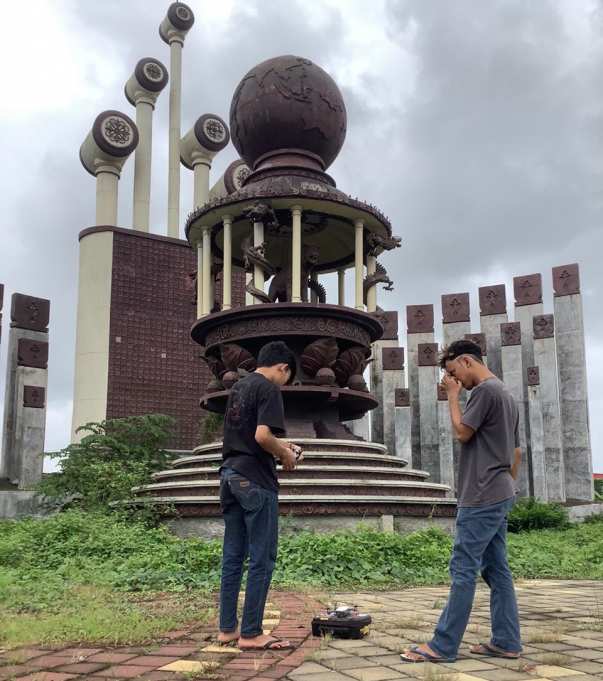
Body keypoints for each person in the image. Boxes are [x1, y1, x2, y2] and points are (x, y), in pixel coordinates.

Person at [401, 339, 522, 664]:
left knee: (464, 567)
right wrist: (507, 485)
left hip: (481, 494)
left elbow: (462, 432)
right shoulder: (507, 394)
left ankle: (443, 645)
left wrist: (453, 398)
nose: (455, 381)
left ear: (466, 361)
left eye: (455, 373)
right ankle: (507, 641)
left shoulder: (484, 391)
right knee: (497, 570)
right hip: (499, 491)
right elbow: (516, 452)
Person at [216, 340, 303, 651]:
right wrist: (286, 456)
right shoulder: (269, 388)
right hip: (254, 481)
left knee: (233, 557)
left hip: (230, 478)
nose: (284, 384)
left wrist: (284, 445)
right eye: (287, 378)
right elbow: (263, 436)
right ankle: (251, 633)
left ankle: (228, 629)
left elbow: (250, 437)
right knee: (262, 558)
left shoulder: (239, 388)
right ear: (283, 368)